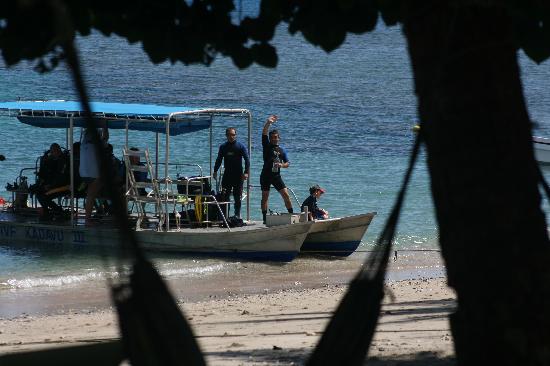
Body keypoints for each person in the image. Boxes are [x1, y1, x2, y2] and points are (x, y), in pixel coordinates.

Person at [260, 115, 293, 224]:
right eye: (273, 137)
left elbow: (288, 163)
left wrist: (282, 165)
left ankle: (291, 214)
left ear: (279, 138)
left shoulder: (282, 150)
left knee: (286, 195)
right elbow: (264, 133)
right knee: (265, 197)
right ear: (270, 138)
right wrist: (268, 122)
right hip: (265, 175)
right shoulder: (266, 146)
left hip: (276, 176)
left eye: (276, 137)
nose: (275, 138)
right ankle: (264, 218)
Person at [213, 127, 250, 219]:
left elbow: (247, 160)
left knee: (237, 197)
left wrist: (246, 172)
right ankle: (224, 216)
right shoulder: (223, 147)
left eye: (233, 135)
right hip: (227, 175)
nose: (231, 137)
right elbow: (219, 159)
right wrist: (215, 171)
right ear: (226, 135)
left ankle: (237, 215)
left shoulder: (240, 146)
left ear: (235, 135)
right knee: (225, 196)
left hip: (238, 175)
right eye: (229, 135)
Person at [79, 125, 109, 223]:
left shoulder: (83, 144)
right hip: (94, 174)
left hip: (83, 174)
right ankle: (89, 218)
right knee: (92, 195)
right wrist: (105, 125)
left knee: (92, 194)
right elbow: (106, 137)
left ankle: (100, 208)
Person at [36, 143, 70, 219]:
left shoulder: (63, 160)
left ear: (58, 151)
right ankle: (51, 211)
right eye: (51, 152)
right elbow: (49, 174)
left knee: (43, 195)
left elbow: (61, 177)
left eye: (53, 152)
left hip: (64, 186)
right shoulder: (55, 160)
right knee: (39, 192)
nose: (52, 154)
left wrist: (50, 186)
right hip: (56, 184)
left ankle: (56, 211)